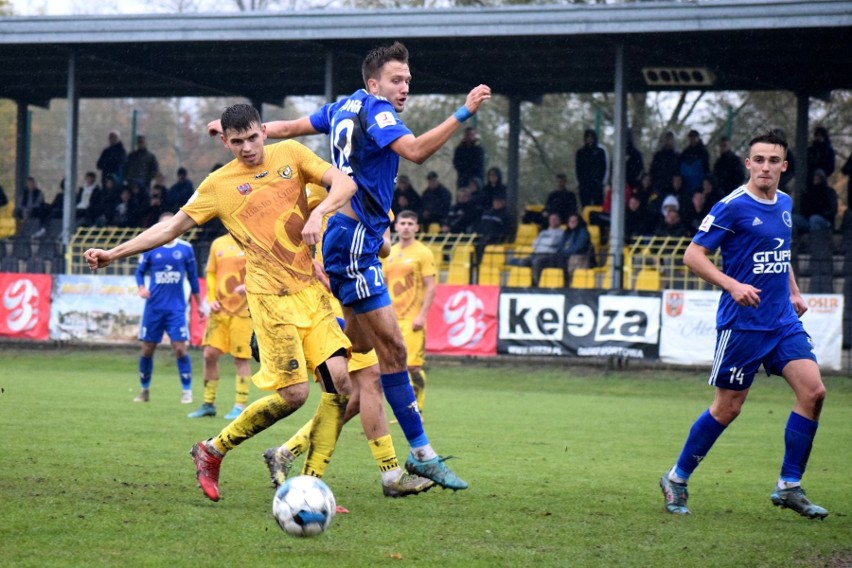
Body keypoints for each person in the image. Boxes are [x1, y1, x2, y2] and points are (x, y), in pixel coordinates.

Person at [234, 41, 490, 490]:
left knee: (362, 373)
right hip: (353, 245)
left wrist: (252, 131)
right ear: (374, 83)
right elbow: (414, 152)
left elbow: (291, 126)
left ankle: (288, 450)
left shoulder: (341, 106)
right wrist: (463, 112)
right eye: (396, 79)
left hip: (355, 240)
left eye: (408, 80)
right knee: (393, 353)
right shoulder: (376, 111)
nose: (404, 87)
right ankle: (420, 456)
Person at [86, 103, 358, 502]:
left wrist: (320, 214)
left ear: (263, 131)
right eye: (237, 142)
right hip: (269, 301)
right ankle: (212, 450)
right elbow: (171, 229)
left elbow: (345, 184)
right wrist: (114, 253)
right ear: (226, 143)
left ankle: (311, 485)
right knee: (295, 396)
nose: (247, 148)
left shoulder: (292, 154)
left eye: (252, 137)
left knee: (341, 386)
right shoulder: (218, 185)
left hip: (312, 296)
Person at [660, 129, 829, 520]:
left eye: (774, 161)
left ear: (783, 166)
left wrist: (794, 291)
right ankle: (677, 478)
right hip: (742, 325)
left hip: (782, 321)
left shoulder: (785, 203)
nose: (766, 167)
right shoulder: (731, 206)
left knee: (815, 392)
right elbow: (693, 255)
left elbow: (779, 252)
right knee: (728, 408)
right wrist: (732, 285)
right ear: (748, 164)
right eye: (759, 160)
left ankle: (789, 485)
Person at [263, 185, 434, 499]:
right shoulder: (316, 193)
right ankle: (390, 475)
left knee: (356, 397)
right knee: (369, 383)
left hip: (357, 296)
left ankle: (285, 452)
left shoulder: (371, 194)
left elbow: (384, 248)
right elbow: (281, 233)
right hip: (323, 303)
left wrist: (367, 230)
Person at [130, 212, 202, 404]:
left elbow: (193, 278)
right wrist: (141, 287)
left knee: (180, 349)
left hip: (176, 308)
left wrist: (199, 303)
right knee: (147, 350)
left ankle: (187, 391)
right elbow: (139, 273)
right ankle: (144, 390)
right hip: (153, 308)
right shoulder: (150, 248)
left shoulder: (186, 249)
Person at [187, 231, 254, 421]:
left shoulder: (252, 240)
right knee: (209, 354)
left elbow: (264, 271)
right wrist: (211, 299)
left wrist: (248, 285)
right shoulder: (218, 242)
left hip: (243, 311)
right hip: (220, 310)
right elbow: (211, 273)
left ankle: (240, 406)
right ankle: (208, 404)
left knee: (240, 359)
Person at [382, 211, 437, 412]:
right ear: (396, 227)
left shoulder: (423, 253)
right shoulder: (390, 252)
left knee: (413, 366)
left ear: (416, 227)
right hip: (391, 318)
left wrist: (422, 315)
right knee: (394, 367)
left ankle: (418, 410)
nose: (405, 226)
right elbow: (384, 285)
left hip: (412, 319)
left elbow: (431, 286)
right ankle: (405, 410)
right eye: (402, 223)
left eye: (410, 223)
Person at [508, 212, 566, 286]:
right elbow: (535, 244)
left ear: (559, 221)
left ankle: (536, 283)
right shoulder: (543, 232)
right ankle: (524, 283)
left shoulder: (562, 233)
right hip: (536, 253)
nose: (553, 221)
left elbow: (553, 243)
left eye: (555, 219)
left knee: (536, 262)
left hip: (549, 255)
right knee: (523, 262)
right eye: (551, 219)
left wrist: (542, 242)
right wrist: (546, 242)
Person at [793, 169, 837, 234]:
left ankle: (815, 242)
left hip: (825, 220)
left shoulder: (829, 192)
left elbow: (833, 210)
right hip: (807, 219)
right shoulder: (808, 192)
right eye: (815, 176)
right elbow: (804, 208)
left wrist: (822, 213)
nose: (816, 178)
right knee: (791, 219)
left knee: (814, 219)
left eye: (818, 177)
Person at [575, 128, 608, 207]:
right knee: (585, 207)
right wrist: (581, 183)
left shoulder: (600, 152)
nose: (589, 139)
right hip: (584, 185)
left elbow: (604, 168)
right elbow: (577, 169)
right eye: (587, 137)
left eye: (591, 137)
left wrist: (601, 182)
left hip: (597, 185)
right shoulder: (580, 152)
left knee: (598, 206)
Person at [679, 129, 710, 195]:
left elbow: (706, 170)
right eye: (690, 137)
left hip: (698, 187)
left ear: (697, 138)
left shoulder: (703, 152)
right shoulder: (685, 152)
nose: (692, 139)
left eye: (694, 137)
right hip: (686, 187)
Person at [650, 131, 680, 196]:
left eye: (671, 139)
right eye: (667, 139)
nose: (669, 141)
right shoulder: (658, 156)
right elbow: (652, 171)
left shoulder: (677, 156)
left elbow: (678, 173)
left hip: (673, 189)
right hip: (659, 189)